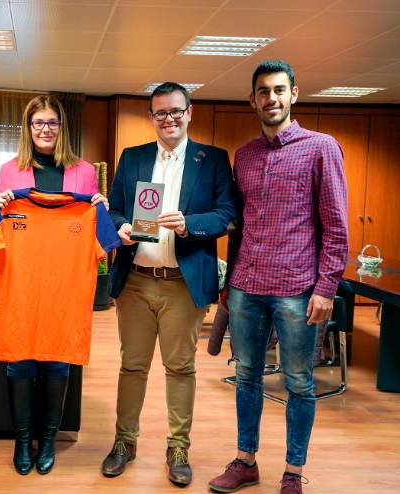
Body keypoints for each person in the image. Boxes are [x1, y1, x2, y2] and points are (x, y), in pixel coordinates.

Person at [208, 60, 348, 494]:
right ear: (253, 100)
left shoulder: (322, 148)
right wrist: (229, 284)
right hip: (246, 287)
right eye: (263, 91)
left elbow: (336, 226)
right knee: (246, 375)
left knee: (299, 382)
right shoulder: (245, 155)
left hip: (297, 290)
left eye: (279, 89)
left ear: (293, 94)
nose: (271, 98)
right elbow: (240, 226)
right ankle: (245, 460)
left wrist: (326, 288)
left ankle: (292, 471)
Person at [101, 82, 237, 487]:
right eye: (161, 112)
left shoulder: (212, 159)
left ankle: (178, 448)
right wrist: (121, 226)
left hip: (183, 284)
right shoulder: (134, 157)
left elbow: (227, 213)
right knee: (132, 366)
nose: (169, 119)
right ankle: (124, 442)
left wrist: (189, 224)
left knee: (180, 368)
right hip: (136, 282)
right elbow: (115, 208)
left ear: (189, 113)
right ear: (152, 117)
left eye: (176, 111)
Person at [0, 95, 108, 475]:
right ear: (28, 128)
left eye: (52, 122)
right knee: (19, 362)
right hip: (21, 286)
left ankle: (49, 440)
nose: (45, 129)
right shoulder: (9, 171)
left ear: (62, 127)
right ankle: (23, 440)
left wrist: (101, 212)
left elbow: (100, 237)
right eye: (38, 122)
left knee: (59, 361)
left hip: (64, 289)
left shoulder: (84, 172)